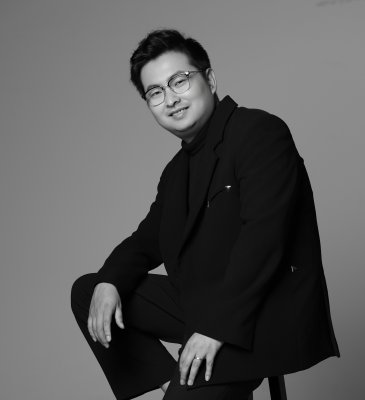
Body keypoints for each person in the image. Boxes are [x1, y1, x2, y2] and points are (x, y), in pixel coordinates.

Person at [71, 29, 340, 400]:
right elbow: (146, 241)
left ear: (210, 79)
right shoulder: (175, 171)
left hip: (261, 312)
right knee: (90, 290)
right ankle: (178, 386)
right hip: (202, 304)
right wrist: (109, 283)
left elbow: (263, 240)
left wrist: (215, 328)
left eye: (179, 81)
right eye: (155, 92)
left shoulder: (259, 131)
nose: (170, 99)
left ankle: (190, 387)